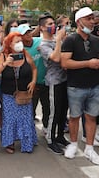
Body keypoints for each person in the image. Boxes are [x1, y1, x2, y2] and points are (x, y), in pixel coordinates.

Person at [61, 7, 99, 165]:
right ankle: (73, 144)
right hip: (76, 86)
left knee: (91, 117)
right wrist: (88, 63)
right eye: (88, 18)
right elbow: (65, 63)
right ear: (79, 21)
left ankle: (89, 148)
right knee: (74, 117)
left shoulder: (96, 41)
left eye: (93, 18)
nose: (92, 21)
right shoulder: (70, 40)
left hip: (95, 85)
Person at [0, 31, 37, 153]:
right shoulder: (4, 55)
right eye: (17, 41)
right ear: (10, 44)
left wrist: (33, 81)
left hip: (25, 93)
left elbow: (34, 68)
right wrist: (5, 64)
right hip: (9, 94)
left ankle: (27, 142)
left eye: (21, 41)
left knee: (26, 118)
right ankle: (9, 142)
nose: (20, 44)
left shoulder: (25, 54)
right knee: (10, 119)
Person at [39, 14, 69, 154]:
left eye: (53, 23)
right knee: (54, 112)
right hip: (53, 82)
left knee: (63, 111)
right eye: (49, 24)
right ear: (42, 27)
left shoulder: (59, 40)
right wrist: (58, 40)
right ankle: (50, 139)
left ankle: (60, 136)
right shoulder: (43, 45)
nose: (53, 26)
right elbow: (56, 57)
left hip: (64, 80)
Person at [18, 23, 50, 134]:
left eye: (29, 32)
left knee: (47, 106)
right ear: (20, 37)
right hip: (31, 84)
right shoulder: (20, 49)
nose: (28, 35)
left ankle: (46, 127)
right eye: (25, 33)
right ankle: (29, 130)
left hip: (45, 80)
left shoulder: (39, 41)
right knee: (31, 108)